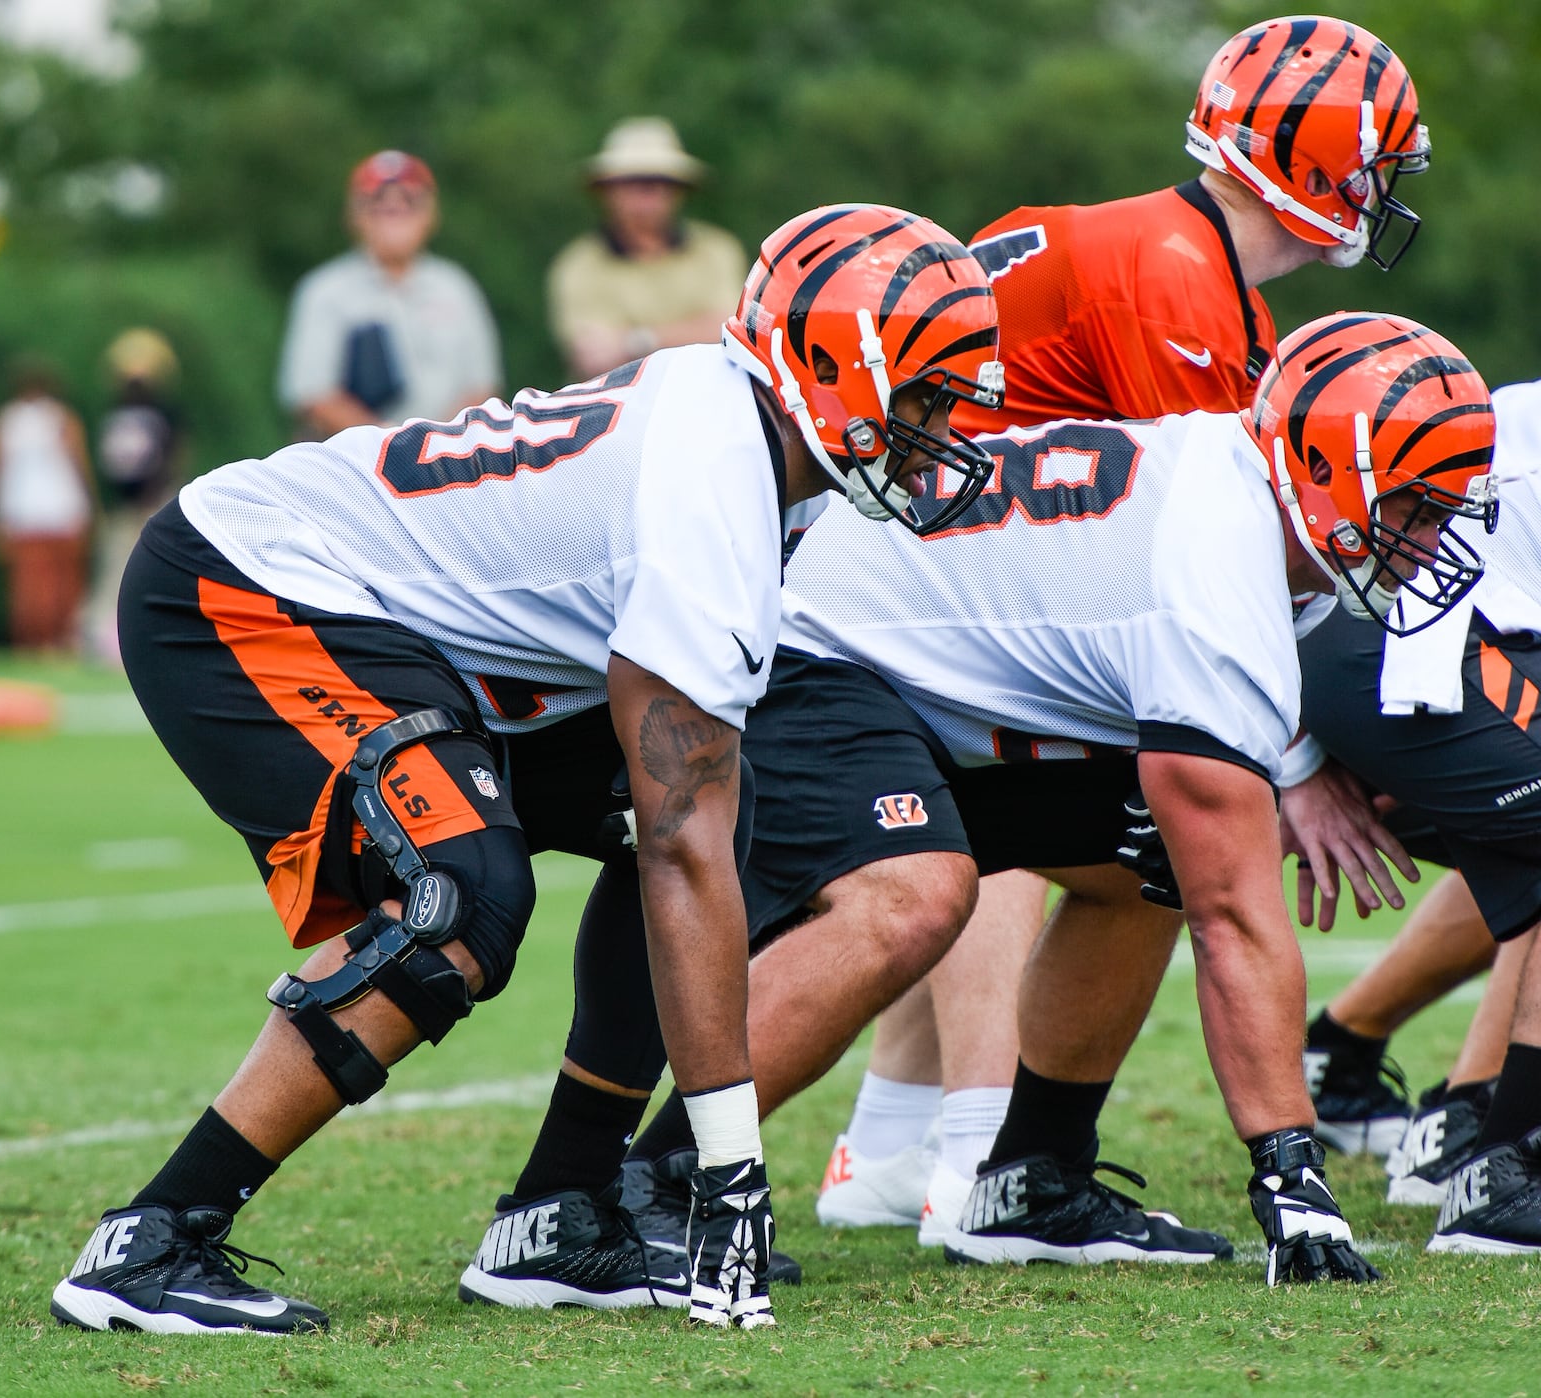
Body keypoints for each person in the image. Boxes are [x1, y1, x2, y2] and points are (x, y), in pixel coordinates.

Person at [47, 203, 1006, 1335]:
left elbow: (687, 831)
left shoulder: (737, 435)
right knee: (463, 896)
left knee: (701, 817)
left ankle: (561, 1215)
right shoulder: (712, 480)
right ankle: (154, 1239)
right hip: (250, 586)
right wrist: (732, 1169)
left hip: (412, 637)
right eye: (925, 394)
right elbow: (681, 854)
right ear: (841, 367)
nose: (938, 427)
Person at [620, 311, 1497, 1284]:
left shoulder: (1247, 498)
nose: (1430, 539)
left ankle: (1030, 1178)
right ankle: (665, 1182)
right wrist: (1293, 1182)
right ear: (1330, 469)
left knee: (1145, 857)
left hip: (920, 678)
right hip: (809, 651)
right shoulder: (1214, 566)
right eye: (1415, 506)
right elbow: (1235, 919)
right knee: (917, 892)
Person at [814, 13, 1438, 1239]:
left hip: (911, 556)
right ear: (1313, 164)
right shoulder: (1177, 280)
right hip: (907, 588)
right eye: (1373, 163)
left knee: (1065, 821)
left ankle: (892, 1144)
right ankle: (974, 1158)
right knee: (1027, 816)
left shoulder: (1164, 246)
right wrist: (1300, 767)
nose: (1378, 193)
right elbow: (1224, 572)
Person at [1277, 374, 1541, 1244]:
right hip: (1393, 626)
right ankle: (1499, 1163)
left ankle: (1466, 1130)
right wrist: (1294, 758)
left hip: (1415, 630)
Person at [277, 150, 503, 440]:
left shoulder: (456, 287)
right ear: (354, 215)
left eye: (409, 201)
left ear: (431, 215)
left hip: (449, 462)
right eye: (377, 202)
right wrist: (390, 445)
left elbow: (482, 387)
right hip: (354, 464)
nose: (394, 210)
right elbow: (312, 395)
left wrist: (439, 444)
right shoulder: (325, 291)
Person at [547, 117, 748, 382]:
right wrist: (694, 331)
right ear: (609, 191)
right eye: (633, 181)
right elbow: (593, 356)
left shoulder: (717, 250)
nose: (647, 191)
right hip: (616, 414)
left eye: (658, 181)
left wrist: (635, 340)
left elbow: (733, 331)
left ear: (677, 190)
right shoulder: (578, 265)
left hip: (711, 400)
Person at [0, 356, 96, 653]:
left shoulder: (3, 423)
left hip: (20, 513)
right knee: (64, 583)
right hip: (63, 509)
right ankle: (61, 641)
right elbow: (80, 465)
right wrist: (93, 507)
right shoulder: (62, 419)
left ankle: (31, 644)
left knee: (27, 584)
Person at [85, 328, 187, 665]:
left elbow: (171, 455)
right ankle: (104, 638)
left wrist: (156, 494)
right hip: (125, 505)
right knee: (114, 570)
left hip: (152, 502)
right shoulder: (115, 414)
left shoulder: (164, 414)